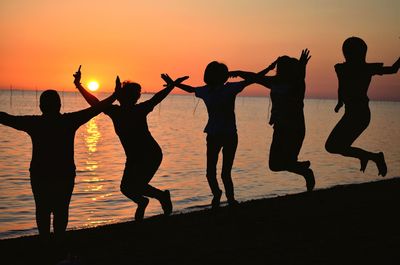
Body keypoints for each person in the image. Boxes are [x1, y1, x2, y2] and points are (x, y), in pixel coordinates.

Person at [0, 86, 117, 238]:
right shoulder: (68, 121)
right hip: (64, 173)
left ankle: (45, 241)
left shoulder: (34, 123)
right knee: (61, 209)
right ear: (59, 105)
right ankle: (58, 240)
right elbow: (96, 109)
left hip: (40, 173)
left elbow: (6, 118)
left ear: (41, 106)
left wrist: (114, 95)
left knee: (42, 209)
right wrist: (115, 95)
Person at [74, 67, 188, 221]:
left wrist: (172, 85)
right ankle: (145, 200)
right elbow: (95, 103)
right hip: (134, 157)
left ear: (127, 97)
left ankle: (160, 197)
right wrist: (79, 85)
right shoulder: (115, 111)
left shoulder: (136, 110)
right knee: (126, 188)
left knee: (136, 186)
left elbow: (157, 98)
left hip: (150, 154)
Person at [162, 61, 256, 209]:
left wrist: (263, 69)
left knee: (225, 172)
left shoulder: (229, 88)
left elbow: (253, 79)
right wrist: (173, 83)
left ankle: (230, 199)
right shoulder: (207, 90)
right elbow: (190, 89)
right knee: (211, 172)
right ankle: (218, 194)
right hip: (214, 135)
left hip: (229, 135)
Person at [229, 49, 315, 192]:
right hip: (280, 128)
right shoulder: (274, 82)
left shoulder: (296, 85)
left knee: (285, 162)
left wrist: (302, 67)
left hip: (294, 128)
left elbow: (300, 78)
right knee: (274, 165)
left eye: (281, 67)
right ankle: (302, 169)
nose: (278, 70)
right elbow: (255, 77)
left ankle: (305, 172)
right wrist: (238, 72)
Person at [325, 37, 400, 177]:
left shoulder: (365, 69)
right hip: (351, 113)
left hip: (361, 114)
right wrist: (340, 102)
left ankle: (373, 157)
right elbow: (341, 86)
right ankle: (370, 157)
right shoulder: (342, 68)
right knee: (333, 146)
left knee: (334, 146)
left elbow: (393, 69)